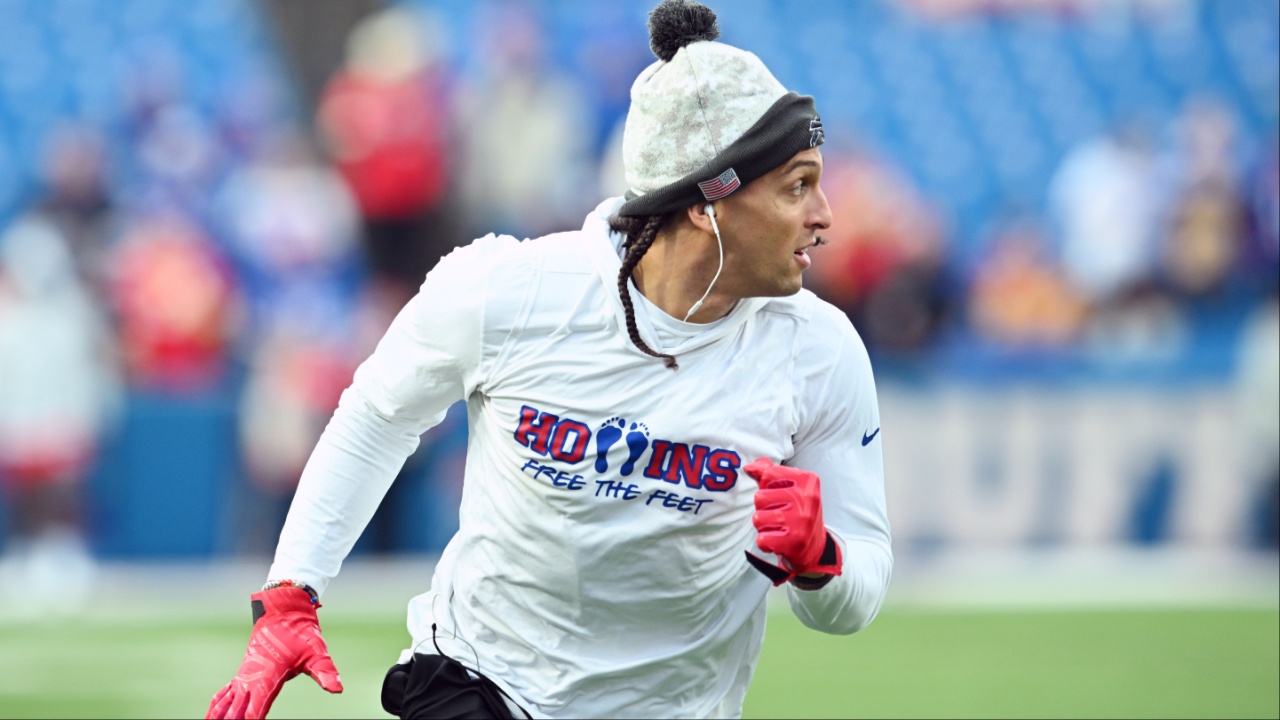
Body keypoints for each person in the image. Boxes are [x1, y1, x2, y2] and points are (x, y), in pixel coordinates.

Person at [206, 2, 891, 718]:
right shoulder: (510, 290)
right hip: (480, 683)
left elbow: (856, 592)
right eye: (796, 186)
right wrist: (291, 594)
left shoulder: (820, 351)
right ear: (706, 202)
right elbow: (378, 415)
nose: (826, 215)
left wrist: (821, 560)